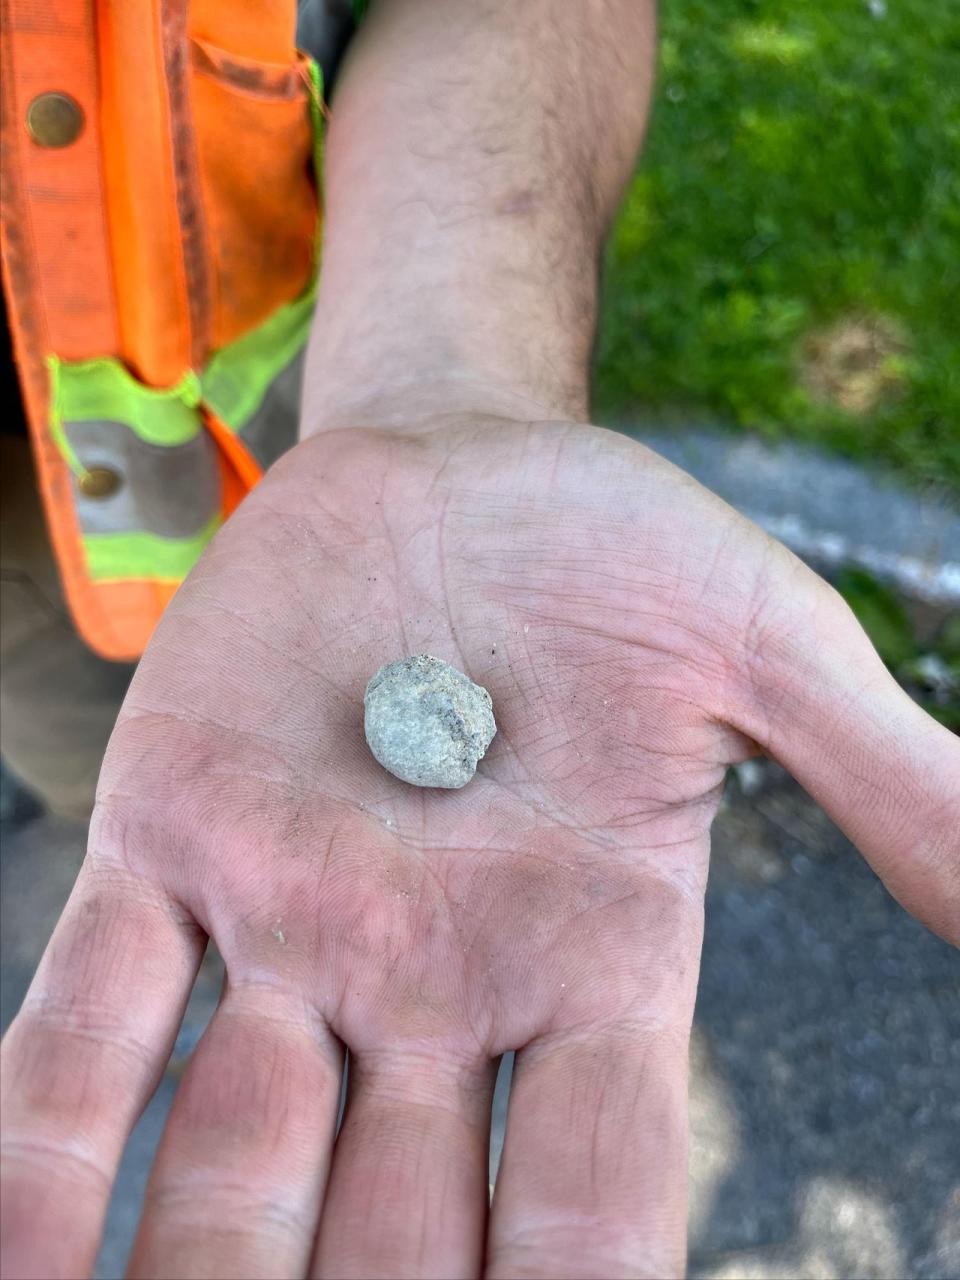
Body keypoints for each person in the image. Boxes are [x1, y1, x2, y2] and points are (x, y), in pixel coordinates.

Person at [1, 1, 957, 1277]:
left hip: (313, 443)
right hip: (39, 582)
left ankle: (237, 971)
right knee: (97, 789)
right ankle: (191, 939)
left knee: (157, 816)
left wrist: (450, 395)